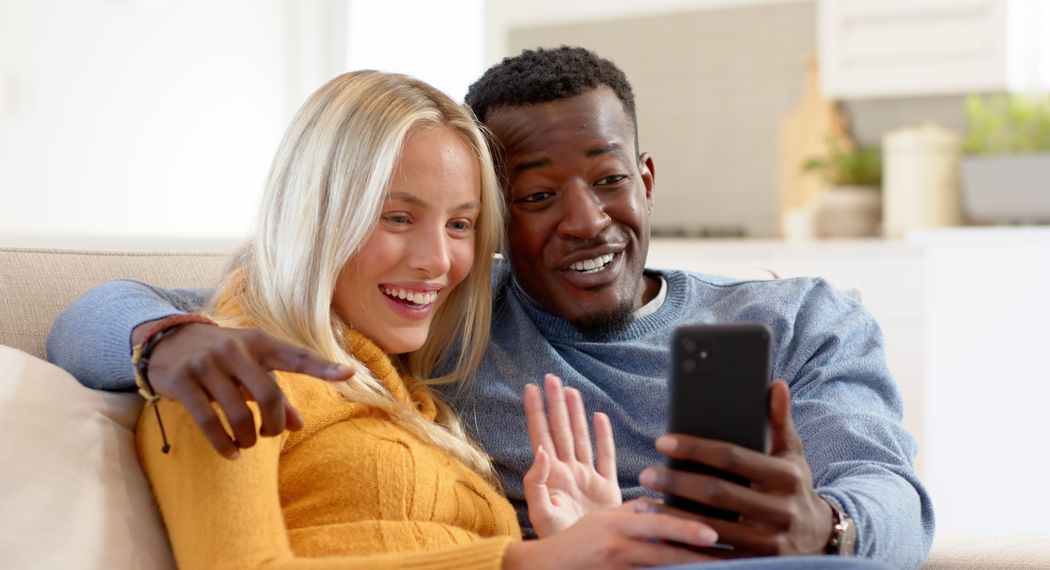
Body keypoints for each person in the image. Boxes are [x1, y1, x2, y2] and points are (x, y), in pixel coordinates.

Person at [49, 48, 933, 567]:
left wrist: (830, 525)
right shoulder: (444, 324)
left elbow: (900, 503)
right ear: (508, 219)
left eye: (610, 178)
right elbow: (102, 314)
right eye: (539, 195)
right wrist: (162, 340)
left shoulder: (799, 320)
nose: (589, 221)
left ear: (647, 178)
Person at [107, 69, 724, 569]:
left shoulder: (411, 394)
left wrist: (572, 543)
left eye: (460, 224)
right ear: (314, 217)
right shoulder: (226, 370)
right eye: (398, 217)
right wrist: (526, 561)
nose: (439, 262)